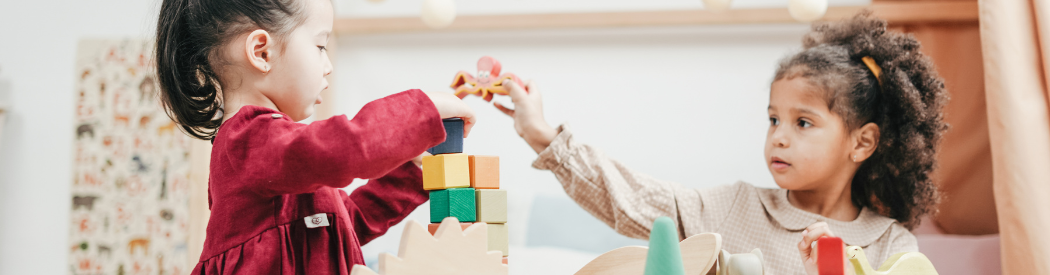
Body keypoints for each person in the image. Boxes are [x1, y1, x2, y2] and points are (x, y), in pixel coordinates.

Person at [495, 12, 947, 275]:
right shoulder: (733, 208)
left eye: (803, 123)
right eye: (773, 119)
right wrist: (541, 134)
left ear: (862, 143)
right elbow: (628, 197)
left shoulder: (890, 245)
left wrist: (843, 264)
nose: (779, 136)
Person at [154, 0, 476, 273]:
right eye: (320, 46)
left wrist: (414, 172)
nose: (328, 66)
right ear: (262, 52)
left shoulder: (281, 156)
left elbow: (347, 222)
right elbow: (347, 149)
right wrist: (423, 110)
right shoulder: (246, 140)